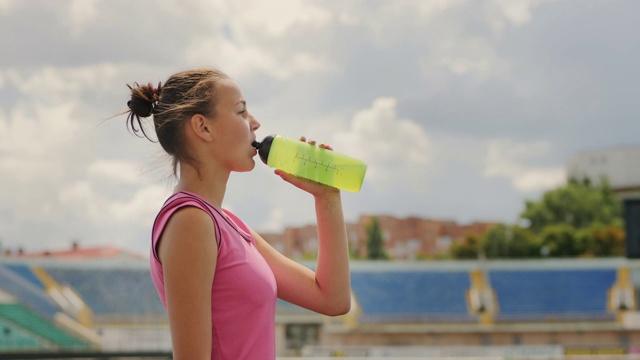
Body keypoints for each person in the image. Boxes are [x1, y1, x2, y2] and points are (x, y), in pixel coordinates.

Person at [123, 67, 351, 360]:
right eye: (241, 112)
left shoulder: (228, 224)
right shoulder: (189, 221)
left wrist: (327, 197)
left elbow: (332, 299)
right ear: (203, 128)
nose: (255, 123)